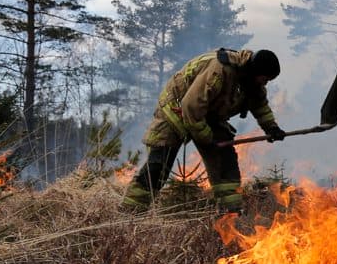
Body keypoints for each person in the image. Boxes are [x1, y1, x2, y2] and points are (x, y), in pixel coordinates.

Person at [122, 48, 285, 212]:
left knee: (225, 163)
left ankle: (231, 213)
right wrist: (208, 138)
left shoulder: (252, 82)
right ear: (254, 71)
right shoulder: (219, 70)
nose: (265, 83)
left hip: (209, 115)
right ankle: (131, 210)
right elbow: (191, 107)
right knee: (159, 165)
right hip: (176, 110)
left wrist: (272, 127)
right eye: (265, 79)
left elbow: (260, 106)